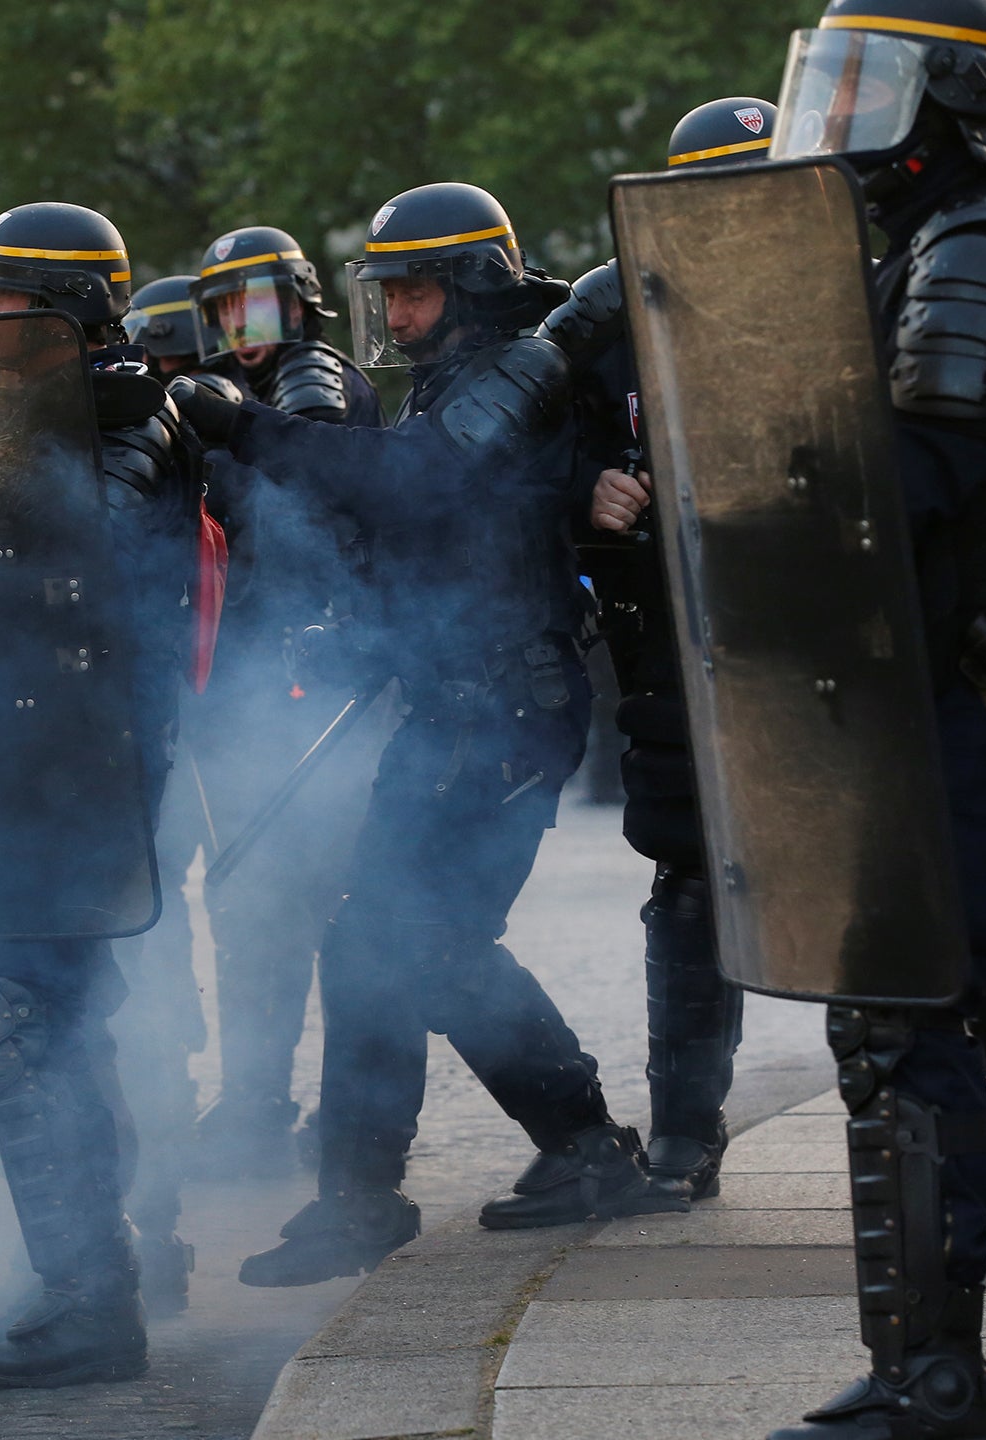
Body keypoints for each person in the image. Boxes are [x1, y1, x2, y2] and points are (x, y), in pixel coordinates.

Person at [171, 183, 670, 1288]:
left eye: (411, 292)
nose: (392, 318)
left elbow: (412, 484)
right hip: (456, 702)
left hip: (501, 711)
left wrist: (241, 426)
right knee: (391, 941)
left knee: (414, 942)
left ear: (470, 286)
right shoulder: (469, 379)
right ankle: (541, 1159)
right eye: (384, 295)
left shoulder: (508, 378)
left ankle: (475, 1174)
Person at [744, 0, 986, 1440]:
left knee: (901, 1017)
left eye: (864, 79)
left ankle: (927, 1379)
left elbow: (908, 478)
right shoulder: (980, 235)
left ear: (946, 91)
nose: (841, 111)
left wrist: (743, 521)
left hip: (979, 703)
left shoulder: (975, 245)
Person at [0, 201, 204, 1381]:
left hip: (84, 766)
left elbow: (84, 547)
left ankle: (94, 1299)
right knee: (52, 1024)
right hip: (31, 762)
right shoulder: (42, 414)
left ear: (61, 312)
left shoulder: (129, 411)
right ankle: (102, 1268)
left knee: (19, 1019)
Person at [536, 96, 778, 1204]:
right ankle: (686, 1125)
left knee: (892, 888)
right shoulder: (618, 326)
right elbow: (554, 461)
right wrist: (590, 490)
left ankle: (914, 1121)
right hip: (674, 647)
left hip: (815, 637)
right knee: (686, 877)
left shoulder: (841, 303)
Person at [179, 226, 387, 1177]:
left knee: (336, 907)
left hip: (320, 690)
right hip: (249, 691)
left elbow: (319, 486)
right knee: (249, 905)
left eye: (256, 302)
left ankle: (355, 1132)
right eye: (226, 307)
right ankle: (259, 1104)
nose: (240, 323)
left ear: (297, 304)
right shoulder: (230, 397)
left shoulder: (311, 385)